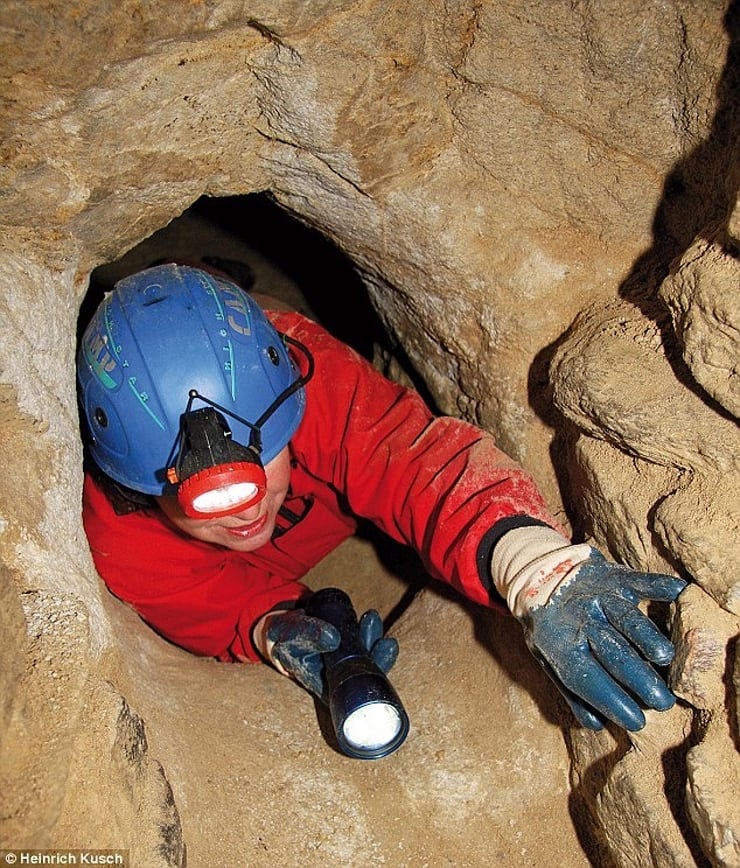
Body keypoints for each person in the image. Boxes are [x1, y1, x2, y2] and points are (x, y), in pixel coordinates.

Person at [78, 262, 686, 735]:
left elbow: (414, 464)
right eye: (195, 495)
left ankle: (225, 278)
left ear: (284, 407)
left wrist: (533, 567)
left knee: (249, 304)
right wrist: (278, 630)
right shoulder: (120, 538)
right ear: (135, 480)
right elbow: (215, 610)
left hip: (262, 319)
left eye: (260, 459)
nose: (243, 507)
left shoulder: (303, 375)